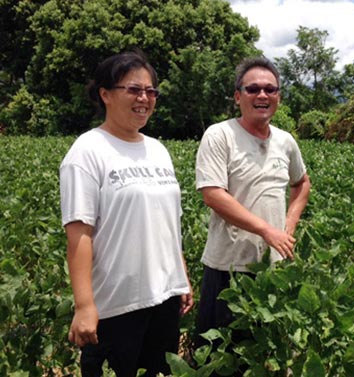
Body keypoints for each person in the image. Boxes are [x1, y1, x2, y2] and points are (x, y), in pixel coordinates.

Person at [59, 50, 194, 377]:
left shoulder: (157, 150)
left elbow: (166, 222)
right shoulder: (88, 151)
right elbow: (79, 233)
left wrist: (181, 275)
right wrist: (85, 306)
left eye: (151, 92)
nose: (144, 98)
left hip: (163, 296)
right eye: (133, 90)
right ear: (105, 94)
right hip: (116, 304)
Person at [194, 57, 311, 362]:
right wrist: (266, 229)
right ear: (238, 96)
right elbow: (213, 194)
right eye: (253, 89)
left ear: (278, 97)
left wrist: (289, 226)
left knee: (263, 359)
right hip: (227, 269)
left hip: (271, 271)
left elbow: (302, 184)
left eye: (270, 89)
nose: (262, 95)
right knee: (218, 359)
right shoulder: (220, 135)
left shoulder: (286, 142)